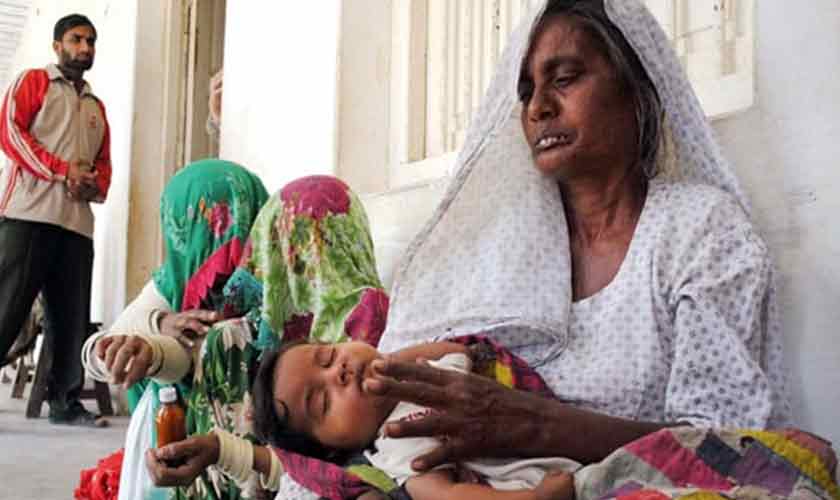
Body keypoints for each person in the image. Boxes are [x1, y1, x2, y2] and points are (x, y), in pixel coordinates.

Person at [144, 0, 796, 497]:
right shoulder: (491, 248)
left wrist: (537, 425)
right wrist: (239, 456)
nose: (538, 107)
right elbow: (365, 448)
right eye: (526, 92)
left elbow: (724, 450)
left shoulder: (698, 233)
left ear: (635, 86)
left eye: (566, 78)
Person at [98, 175, 389, 498]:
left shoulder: (381, 334)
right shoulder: (241, 334)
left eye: (325, 246)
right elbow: (174, 354)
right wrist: (157, 331)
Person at [82, 158, 268, 497]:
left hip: (257, 455)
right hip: (172, 444)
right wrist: (157, 325)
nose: (220, 236)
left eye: (227, 218)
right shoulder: (172, 284)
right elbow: (102, 353)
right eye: (202, 221)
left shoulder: (274, 284)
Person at [252, 338, 578, 500]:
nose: (339, 372)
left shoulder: (420, 371)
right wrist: (536, 498)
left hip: (556, 436)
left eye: (329, 355)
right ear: (334, 449)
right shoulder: (395, 442)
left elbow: (458, 352)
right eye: (322, 402)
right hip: (531, 484)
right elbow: (447, 497)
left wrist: (391, 362)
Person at [0, 13, 112, 426]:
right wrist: (62, 171)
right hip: (28, 215)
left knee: (70, 318)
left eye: (91, 41)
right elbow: (10, 133)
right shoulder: (35, 82)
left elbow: (104, 164)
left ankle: (65, 402)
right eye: (76, 39)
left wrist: (94, 185)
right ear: (57, 45)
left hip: (76, 225)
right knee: (6, 308)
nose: (85, 48)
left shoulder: (96, 106)